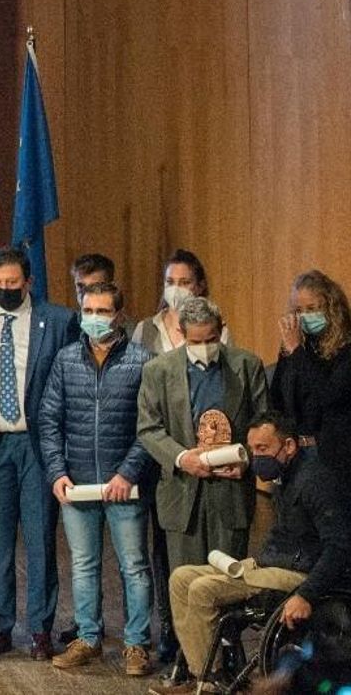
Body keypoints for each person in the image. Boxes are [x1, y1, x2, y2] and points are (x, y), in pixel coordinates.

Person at [150, 413, 350, 695]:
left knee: (203, 589)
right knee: (181, 578)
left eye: (263, 449)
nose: (256, 457)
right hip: (273, 562)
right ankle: (205, 680)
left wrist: (307, 594)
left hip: (299, 572)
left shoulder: (315, 481)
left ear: (289, 446)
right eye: (252, 448)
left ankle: (209, 682)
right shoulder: (285, 475)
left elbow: (340, 546)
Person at [137, 295, 269, 684]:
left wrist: (244, 457)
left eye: (212, 338)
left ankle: (230, 658)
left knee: (228, 580)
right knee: (186, 583)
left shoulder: (246, 365)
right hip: (183, 493)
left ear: (221, 329)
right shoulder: (158, 371)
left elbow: (264, 423)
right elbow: (148, 429)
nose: (206, 346)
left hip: (229, 493)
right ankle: (192, 662)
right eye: (197, 340)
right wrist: (181, 458)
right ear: (182, 334)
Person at [0, 246, 77, 660]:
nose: (5, 290)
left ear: (29, 282)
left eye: (12, 284)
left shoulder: (59, 320)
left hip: (36, 442)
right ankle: (0, 624)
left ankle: (41, 628)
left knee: (42, 536)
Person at [37, 281, 155, 677]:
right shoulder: (66, 359)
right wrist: (57, 471)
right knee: (84, 566)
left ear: (119, 316)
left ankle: (136, 644)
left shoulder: (142, 361)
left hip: (126, 486)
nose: (95, 318)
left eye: (104, 311)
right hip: (78, 484)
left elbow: (151, 426)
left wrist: (128, 471)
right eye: (89, 311)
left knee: (134, 567)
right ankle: (88, 637)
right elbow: (49, 421)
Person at [130, 247, 229, 669]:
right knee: (162, 552)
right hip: (159, 458)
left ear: (200, 285)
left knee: (204, 554)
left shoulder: (218, 332)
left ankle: (211, 647)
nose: (176, 290)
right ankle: (170, 636)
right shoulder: (145, 331)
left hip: (207, 463)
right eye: (170, 282)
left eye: (184, 282)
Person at [272, 270, 351, 450]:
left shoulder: (345, 349)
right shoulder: (295, 346)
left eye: (312, 308)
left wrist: (297, 352)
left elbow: (329, 396)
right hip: (295, 448)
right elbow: (276, 396)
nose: (304, 316)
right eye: (298, 310)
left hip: (333, 450)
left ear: (330, 308)